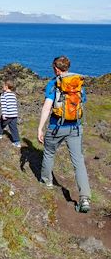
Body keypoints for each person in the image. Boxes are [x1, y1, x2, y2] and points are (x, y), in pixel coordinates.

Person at [37, 56, 91, 213]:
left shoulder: (54, 84)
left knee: (48, 152)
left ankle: (46, 181)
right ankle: (85, 198)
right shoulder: (78, 83)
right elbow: (82, 103)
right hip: (75, 127)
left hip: (56, 127)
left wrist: (40, 128)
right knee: (78, 161)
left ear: (56, 68)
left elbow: (47, 107)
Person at [0, 79, 21, 148]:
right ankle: (17, 142)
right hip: (14, 114)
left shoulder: (3, 95)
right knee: (14, 128)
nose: (2, 86)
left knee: (0, 122)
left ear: (6, 86)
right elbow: (14, 104)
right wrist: (15, 113)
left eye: (3, 85)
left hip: (7, 114)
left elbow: (4, 105)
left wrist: (4, 114)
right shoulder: (13, 95)